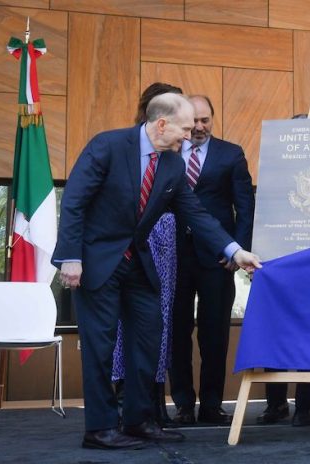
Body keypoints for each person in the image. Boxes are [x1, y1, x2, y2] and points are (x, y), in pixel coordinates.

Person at [53, 93, 261, 450]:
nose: (190, 134)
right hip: (97, 262)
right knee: (101, 346)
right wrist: (70, 256)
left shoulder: (171, 165)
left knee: (148, 340)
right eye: (184, 128)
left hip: (138, 263)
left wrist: (235, 250)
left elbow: (195, 213)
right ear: (162, 124)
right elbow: (74, 200)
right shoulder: (108, 146)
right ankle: (100, 428)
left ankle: (138, 420)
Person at [170, 95, 256, 426]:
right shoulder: (170, 151)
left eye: (207, 120)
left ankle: (211, 405)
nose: (201, 127)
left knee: (214, 333)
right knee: (177, 332)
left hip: (218, 259)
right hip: (174, 256)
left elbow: (244, 205)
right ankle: (182, 404)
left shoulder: (231, 154)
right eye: (196, 121)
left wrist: (237, 249)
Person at [111, 82, 183, 427]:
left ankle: (154, 398)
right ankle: (126, 394)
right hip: (130, 238)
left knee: (160, 318)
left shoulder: (173, 151)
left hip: (165, 239)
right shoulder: (128, 144)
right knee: (129, 319)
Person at [255, 112, 310, 428]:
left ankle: (305, 407)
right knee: (275, 333)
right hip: (278, 266)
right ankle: (275, 404)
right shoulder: (274, 176)